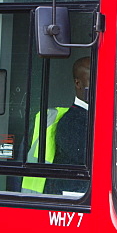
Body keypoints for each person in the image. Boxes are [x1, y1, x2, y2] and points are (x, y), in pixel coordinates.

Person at [48, 57, 90, 195]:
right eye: (93, 80)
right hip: (75, 200)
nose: (100, 84)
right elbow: (87, 155)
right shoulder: (69, 121)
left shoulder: (112, 115)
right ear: (78, 83)